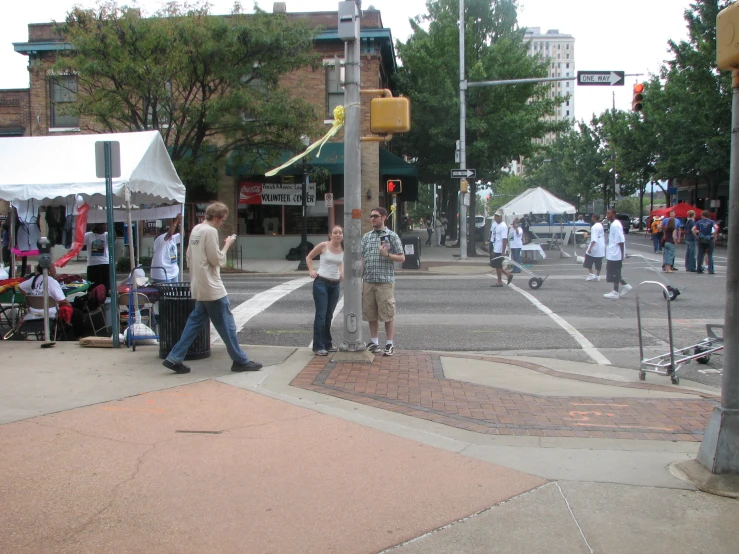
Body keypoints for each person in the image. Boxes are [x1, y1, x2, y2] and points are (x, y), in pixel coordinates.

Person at [162, 202, 262, 374]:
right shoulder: (210, 231)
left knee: (195, 323)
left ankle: (175, 357)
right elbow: (216, 260)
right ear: (216, 217)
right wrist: (228, 244)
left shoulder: (196, 229)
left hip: (199, 284)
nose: (222, 223)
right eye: (222, 220)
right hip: (212, 286)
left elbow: (188, 255)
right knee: (227, 325)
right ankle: (239, 360)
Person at [361, 207, 405, 356]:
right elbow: (363, 259)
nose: (372, 218)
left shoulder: (391, 236)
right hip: (369, 280)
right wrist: (361, 279)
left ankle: (389, 344)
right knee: (370, 313)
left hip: (385, 280)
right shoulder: (366, 237)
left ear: (384, 217)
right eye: (371, 216)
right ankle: (374, 342)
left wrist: (387, 255)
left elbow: (401, 258)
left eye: (376, 216)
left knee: (387, 313)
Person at [306, 225, 344, 356]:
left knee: (329, 316)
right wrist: (311, 270)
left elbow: (342, 262)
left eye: (340, 233)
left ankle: (328, 344)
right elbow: (309, 257)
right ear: (330, 235)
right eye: (335, 233)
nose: (338, 235)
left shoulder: (343, 248)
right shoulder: (324, 246)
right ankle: (318, 346)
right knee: (321, 315)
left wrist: (341, 272)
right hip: (321, 283)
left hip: (335, 285)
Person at [19, 263, 85, 338]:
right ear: (49, 270)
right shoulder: (51, 281)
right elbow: (62, 301)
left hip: (34, 310)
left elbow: (20, 287)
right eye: (53, 267)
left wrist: (28, 296)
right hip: (49, 311)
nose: (55, 269)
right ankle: (78, 337)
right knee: (77, 313)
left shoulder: (34, 279)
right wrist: (70, 306)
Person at [603, 209, 632, 299]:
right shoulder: (613, 224)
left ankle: (616, 291)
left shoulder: (615, 225)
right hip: (612, 253)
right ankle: (624, 286)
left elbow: (621, 240)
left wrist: (623, 254)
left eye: (609, 213)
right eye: (607, 213)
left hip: (615, 254)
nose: (607, 215)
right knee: (613, 272)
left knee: (614, 272)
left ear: (614, 214)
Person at [151, 214, 182, 283]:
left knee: (175, 292)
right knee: (167, 293)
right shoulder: (160, 238)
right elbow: (170, 233)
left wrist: (181, 226)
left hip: (173, 271)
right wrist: (176, 220)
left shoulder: (172, 238)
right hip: (162, 272)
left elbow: (182, 235)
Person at [84, 224, 112, 296]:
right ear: (98, 226)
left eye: (106, 225)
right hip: (92, 264)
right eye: (103, 225)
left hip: (105, 263)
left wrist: (112, 226)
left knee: (105, 286)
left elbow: (113, 238)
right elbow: (80, 241)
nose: (105, 227)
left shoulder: (107, 235)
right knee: (93, 287)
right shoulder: (89, 235)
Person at [489, 209, 512, 287]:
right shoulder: (497, 225)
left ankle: (500, 281)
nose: (496, 218)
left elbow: (504, 239)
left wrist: (503, 251)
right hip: (496, 248)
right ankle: (506, 275)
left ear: (501, 217)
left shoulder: (503, 226)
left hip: (500, 249)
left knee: (497, 265)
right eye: (495, 216)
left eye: (497, 216)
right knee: (497, 265)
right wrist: (493, 249)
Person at [693, 210, 718, 275]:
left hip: (701, 239)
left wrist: (697, 236)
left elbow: (693, 229)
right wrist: (713, 234)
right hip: (709, 239)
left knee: (700, 254)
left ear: (702, 215)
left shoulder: (699, 222)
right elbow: (716, 227)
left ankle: (699, 269)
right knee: (710, 254)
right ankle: (710, 270)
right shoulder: (711, 222)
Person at [584, 214, 605, 282]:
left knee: (588, 259)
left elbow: (594, 239)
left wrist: (590, 248)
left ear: (594, 218)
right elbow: (597, 235)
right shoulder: (600, 225)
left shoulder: (594, 227)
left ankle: (591, 274)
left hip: (595, 245)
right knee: (598, 261)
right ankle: (598, 275)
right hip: (601, 245)